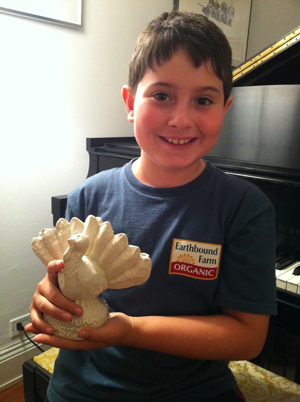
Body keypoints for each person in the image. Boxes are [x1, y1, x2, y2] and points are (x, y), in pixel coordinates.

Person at [26, 11, 277, 402]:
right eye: (162, 95)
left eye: (203, 100)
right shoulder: (86, 197)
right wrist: (48, 295)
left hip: (193, 391)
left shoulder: (245, 208)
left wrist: (132, 330)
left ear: (224, 110)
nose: (181, 119)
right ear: (130, 102)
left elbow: (247, 337)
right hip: (83, 390)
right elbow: (66, 288)